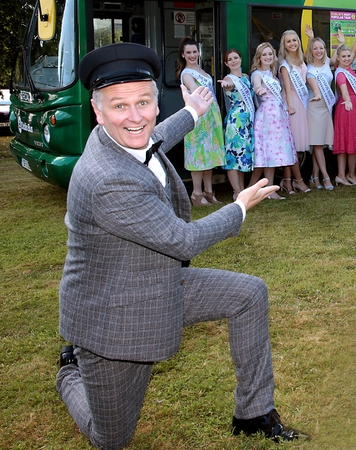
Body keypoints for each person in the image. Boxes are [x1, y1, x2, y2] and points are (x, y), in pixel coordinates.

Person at [56, 42, 308, 449]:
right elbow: (183, 240)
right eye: (120, 106)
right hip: (114, 314)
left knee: (248, 294)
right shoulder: (108, 178)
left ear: (157, 103)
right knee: (111, 438)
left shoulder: (129, 137)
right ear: (98, 112)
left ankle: (254, 411)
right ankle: (71, 369)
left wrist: (193, 111)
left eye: (143, 102)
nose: (134, 116)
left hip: (158, 281)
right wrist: (239, 207)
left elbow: (157, 134)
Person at [176, 37, 225, 206]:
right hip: (198, 117)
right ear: (182, 55)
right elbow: (194, 90)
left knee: (209, 154)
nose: (192, 55)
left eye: (194, 52)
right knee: (197, 155)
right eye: (188, 52)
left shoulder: (202, 70)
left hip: (211, 116)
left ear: (199, 52)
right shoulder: (187, 73)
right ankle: (196, 193)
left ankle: (209, 191)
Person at [248, 42, 297, 200]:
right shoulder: (257, 74)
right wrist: (259, 89)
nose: (268, 57)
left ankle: (265, 190)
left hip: (278, 114)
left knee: (273, 154)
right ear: (259, 57)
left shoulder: (272, 73)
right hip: (267, 116)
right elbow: (256, 85)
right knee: (267, 153)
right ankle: (262, 190)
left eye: (270, 54)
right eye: (264, 55)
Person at [304, 25, 340, 190]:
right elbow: (315, 87)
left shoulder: (327, 62)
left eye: (321, 48)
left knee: (320, 143)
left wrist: (341, 43)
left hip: (326, 107)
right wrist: (310, 38)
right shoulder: (308, 66)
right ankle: (326, 177)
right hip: (314, 107)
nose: (318, 51)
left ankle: (314, 176)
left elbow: (342, 56)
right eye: (315, 48)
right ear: (311, 51)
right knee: (317, 144)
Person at [278, 30, 312, 194]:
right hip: (291, 104)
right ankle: (297, 181)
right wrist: (290, 108)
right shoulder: (284, 64)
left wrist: (311, 38)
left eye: (294, 40)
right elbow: (286, 87)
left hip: (302, 101)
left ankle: (287, 180)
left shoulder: (301, 59)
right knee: (291, 145)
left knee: (295, 146)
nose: (292, 43)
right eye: (288, 41)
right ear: (284, 45)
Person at [220, 49, 255, 200]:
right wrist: (227, 85)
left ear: (240, 59)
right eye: (230, 59)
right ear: (226, 63)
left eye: (236, 58)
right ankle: (236, 192)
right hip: (236, 122)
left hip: (246, 121)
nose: (234, 61)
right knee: (234, 157)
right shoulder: (229, 78)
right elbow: (228, 86)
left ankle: (241, 191)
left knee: (242, 156)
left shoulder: (246, 77)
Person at [333, 42, 356, 185]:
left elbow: (354, 52)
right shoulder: (341, 73)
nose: (347, 59)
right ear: (338, 58)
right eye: (344, 56)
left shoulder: (347, 69)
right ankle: (343, 175)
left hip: (353, 107)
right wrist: (348, 101)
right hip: (347, 108)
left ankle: (349, 174)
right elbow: (344, 90)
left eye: (348, 56)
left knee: (350, 141)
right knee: (346, 141)